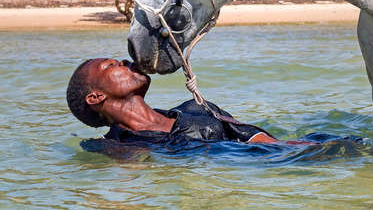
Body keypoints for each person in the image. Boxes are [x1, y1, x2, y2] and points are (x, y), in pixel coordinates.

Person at [66, 58, 283, 145]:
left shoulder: (197, 107)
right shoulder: (116, 145)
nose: (124, 61)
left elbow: (259, 140)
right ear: (95, 97)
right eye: (110, 65)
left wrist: (305, 152)